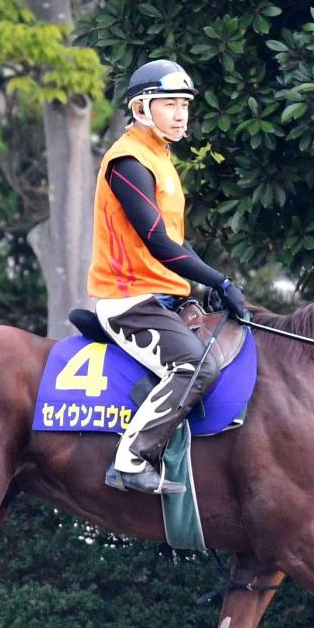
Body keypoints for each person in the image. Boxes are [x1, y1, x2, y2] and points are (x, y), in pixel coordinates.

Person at [88, 59, 246, 495]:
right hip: (129, 299)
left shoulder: (159, 158)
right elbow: (158, 242)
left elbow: (177, 242)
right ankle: (131, 460)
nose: (180, 114)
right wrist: (219, 282)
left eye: (184, 106)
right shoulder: (128, 161)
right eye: (170, 104)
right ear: (141, 109)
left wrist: (215, 282)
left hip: (160, 296)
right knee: (194, 365)